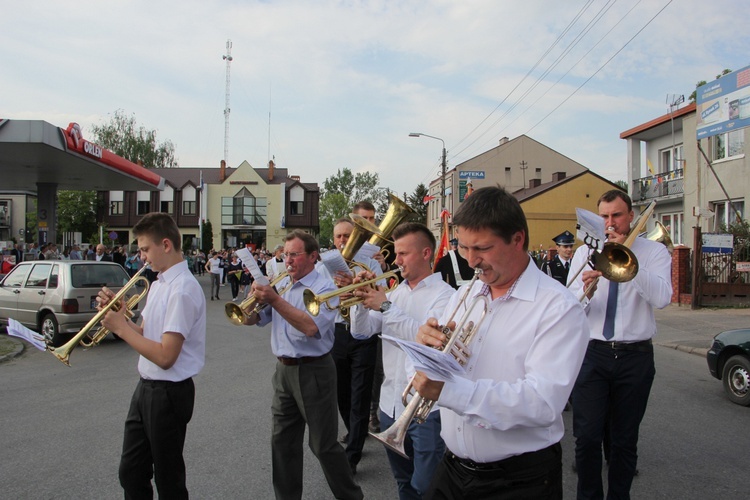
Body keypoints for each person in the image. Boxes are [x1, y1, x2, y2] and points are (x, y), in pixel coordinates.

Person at [413, 186, 590, 499]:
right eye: (464, 248)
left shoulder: (557, 307)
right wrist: (426, 347)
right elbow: (438, 368)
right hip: (453, 468)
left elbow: (542, 403)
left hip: (519, 480)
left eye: (482, 248)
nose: (471, 261)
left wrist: (449, 390)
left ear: (518, 239)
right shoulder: (464, 294)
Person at [242, 230, 363, 500]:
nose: (288, 261)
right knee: (282, 443)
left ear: (312, 256)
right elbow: (254, 321)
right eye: (285, 255)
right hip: (283, 371)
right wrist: (250, 305)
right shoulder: (282, 286)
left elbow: (310, 327)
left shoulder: (325, 288)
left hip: (314, 371)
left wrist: (274, 299)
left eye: (294, 255)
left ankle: (351, 496)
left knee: (323, 445)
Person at [567, 190, 672, 500]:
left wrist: (629, 266)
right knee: (586, 438)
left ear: (631, 216)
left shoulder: (654, 252)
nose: (610, 222)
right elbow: (569, 307)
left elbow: (663, 298)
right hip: (593, 352)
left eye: (616, 215)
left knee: (624, 441)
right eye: (604, 216)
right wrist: (586, 290)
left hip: (635, 355)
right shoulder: (582, 254)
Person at [97, 212, 206, 499]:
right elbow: (147, 335)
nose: (142, 256)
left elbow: (166, 356)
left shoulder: (182, 289)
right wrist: (120, 316)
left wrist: (121, 328)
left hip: (169, 392)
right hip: (146, 386)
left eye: (145, 249)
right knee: (131, 472)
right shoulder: (158, 284)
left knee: (169, 480)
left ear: (166, 245)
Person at [350, 222, 454, 499]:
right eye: (396, 254)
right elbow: (361, 332)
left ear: (425, 253)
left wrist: (384, 305)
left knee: (428, 486)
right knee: (404, 483)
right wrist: (359, 300)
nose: (396, 261)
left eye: (403, 254)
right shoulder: (394, 295)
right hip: (389, 405)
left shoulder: (446, 297)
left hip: (425, 412)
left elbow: (425, 338)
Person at [322, 216, 383, 474]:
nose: (343, 240)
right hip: (337, 332)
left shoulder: (370, 264)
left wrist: (358, 289)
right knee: (342, 394)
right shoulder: (326, 266)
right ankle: (354, 431)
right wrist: (336, 292)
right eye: (339, 236)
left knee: (360, 394)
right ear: (333, 239)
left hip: (364, 333)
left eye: (348, 235)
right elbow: (319, 301)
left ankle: (353, 455)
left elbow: (381, 296)